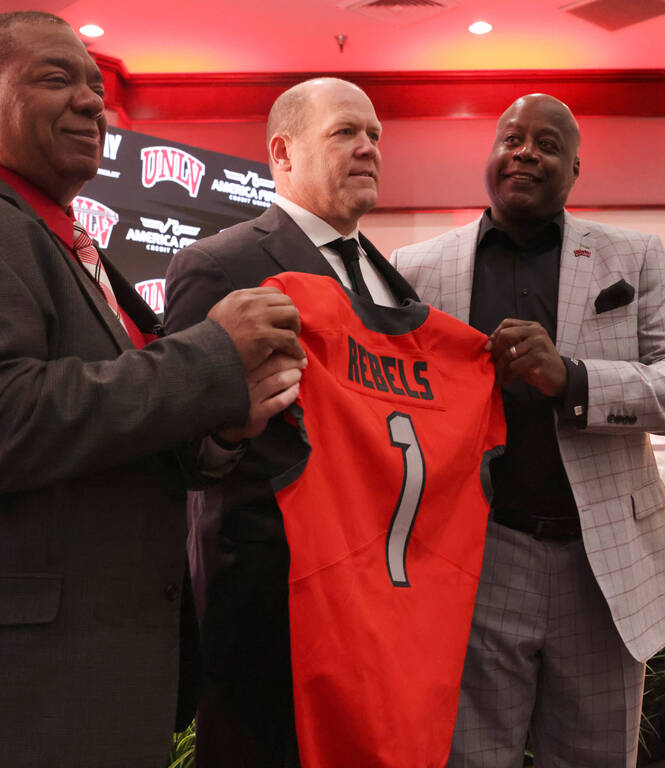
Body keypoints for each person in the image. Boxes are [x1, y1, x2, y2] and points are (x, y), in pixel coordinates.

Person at [0, 12, 304, 767]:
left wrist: (224, 428)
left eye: (96, 87)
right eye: (55, 78)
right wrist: (210, 360)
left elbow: (112, 427)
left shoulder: (62, 241)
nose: (92, 102)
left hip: (55, 683)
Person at [392, 93, 665, 767]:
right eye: (511, 139)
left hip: (602, 568)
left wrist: (573, 378)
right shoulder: (416, 269)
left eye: (547, 144)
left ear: (574, 169)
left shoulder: (632, 258)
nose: (526, 153)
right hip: (476, 559)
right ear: (489, 156)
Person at [165, 77, 418, 767]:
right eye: (345, 132)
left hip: (376, 598)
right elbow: (179, 436)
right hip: (264, 607)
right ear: (282, 152)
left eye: (375, 136)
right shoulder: (219, 265)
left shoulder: (395, 285)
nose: (368, 147)